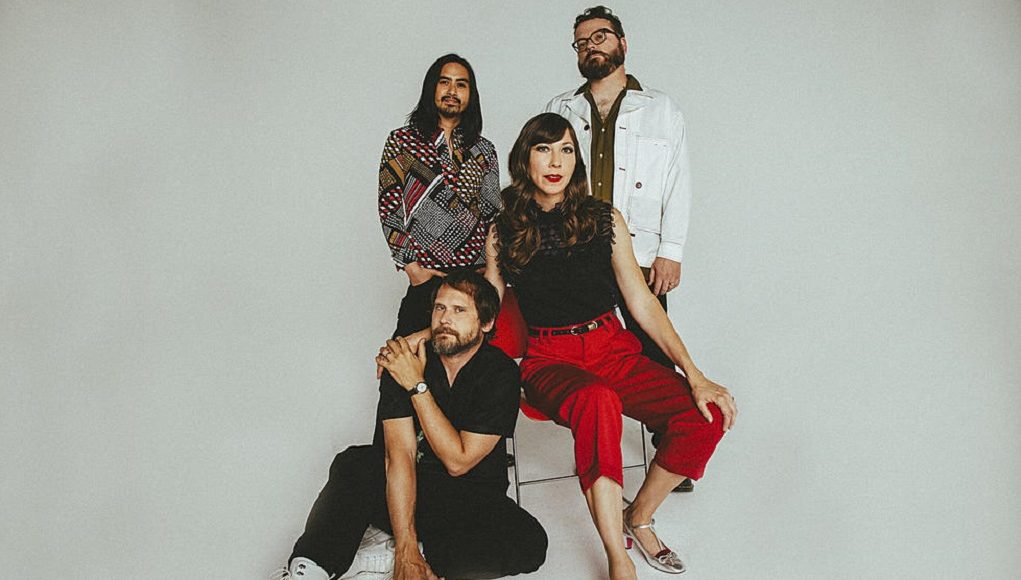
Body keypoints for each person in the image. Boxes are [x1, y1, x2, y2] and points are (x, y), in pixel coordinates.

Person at [487, 113, 736, 580]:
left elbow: (641, 302)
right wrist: (434, 334)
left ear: (576, 160)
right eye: (543, 149)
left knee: (706, 414)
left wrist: (695, 374)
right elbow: (487, 307)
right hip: (549, 360)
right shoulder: (504, 230)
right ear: (524, 159)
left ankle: (637, 516)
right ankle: (617, 557)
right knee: (597, 400)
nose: (555, 162)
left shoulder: (604, 219)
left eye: (566, 150)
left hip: (613, 349)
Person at [276, 271, 547, 580]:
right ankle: (311, 567)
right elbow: (399, 455)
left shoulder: (500, 373)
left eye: (459, 310)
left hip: (469, 497)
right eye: (440, 308)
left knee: (530, 543)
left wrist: (416, 385)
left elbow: (458, 461)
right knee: (355, 463)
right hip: (403, 490)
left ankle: (399, 557)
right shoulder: (404, 361)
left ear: (486, 323)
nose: (445, 319)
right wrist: (406, 544)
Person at [544, 5, 697, 491]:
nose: (591, 46)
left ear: (622, 44)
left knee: (654, 350)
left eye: (601, 36)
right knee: (580, 339)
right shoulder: (561, 108)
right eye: (582, 41)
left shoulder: (662, 109)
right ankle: (596, 434)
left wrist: (671, 250)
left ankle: (671, 447)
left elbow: (678, 182)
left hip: (643, 251)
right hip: (578, 251)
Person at [378, 53, 501, 341]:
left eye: (461, 84)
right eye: (445, 82)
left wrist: (491, 269)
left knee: (468, 362)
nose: (452, 91)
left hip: (473, 280)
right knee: (406, 358)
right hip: (426, 277)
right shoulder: (402, 142)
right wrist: (412, 268)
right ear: (432, 88)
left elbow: (493, 213)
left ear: (471, 94)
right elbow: (389, 206)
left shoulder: (483, 149)